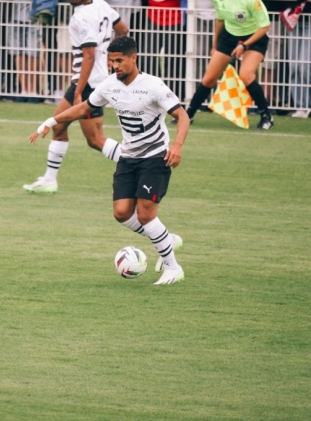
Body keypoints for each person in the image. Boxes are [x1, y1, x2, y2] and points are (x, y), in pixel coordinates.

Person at [29, 36, 190, 285]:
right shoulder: (109, 85)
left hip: (155, 158)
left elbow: (182, 116)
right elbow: (84, 108)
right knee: (122, 213)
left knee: (146, 214)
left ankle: (172, 267)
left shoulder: (153, 86)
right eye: (111, 60)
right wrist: (51, 121)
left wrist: (177, 145)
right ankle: (166, 239)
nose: (114, 65)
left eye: (119, 60)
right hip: (127, 158)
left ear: (133, 58)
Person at [23, 0, 128, 193]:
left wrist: (79, 91)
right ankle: (49, 180)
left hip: (88, 83)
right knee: (59, 127)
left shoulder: (81, 17)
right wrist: (111, 58)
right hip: (96, 80)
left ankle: (138, 163)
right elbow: (123, 29)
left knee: (95, 139)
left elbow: (89, 55)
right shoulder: (101, 5)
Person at [183, 0, 275, 129]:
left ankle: (267, 117)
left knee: (246, 75)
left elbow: (264, 26)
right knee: (209, 78)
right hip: (229, 36)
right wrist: (215, 45)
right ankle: (188, 115)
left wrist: (245, 45)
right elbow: (220, 20)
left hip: (254, 37)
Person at [0, 0, 50, 102]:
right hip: (12, 9)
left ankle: (34, 91)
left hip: (35, 9)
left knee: (33, 51)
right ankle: (24, 89)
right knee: (17, 51)